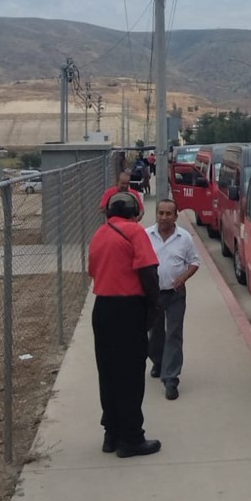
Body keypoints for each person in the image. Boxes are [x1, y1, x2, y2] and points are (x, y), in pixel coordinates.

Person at [86, 192, 163, 459]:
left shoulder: (99, 234)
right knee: (130, 376)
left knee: (108, 372)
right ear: (136, 212)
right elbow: (148, 272)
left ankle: (111, 433)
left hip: (103, 308)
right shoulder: (134, 232)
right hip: (128, 308)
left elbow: (93, 271)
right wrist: (154, 306)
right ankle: (131, 438)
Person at [147, 199, 201, 400]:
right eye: (160, 213)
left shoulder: (184, 238)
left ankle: (171, 379)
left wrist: (184, 277)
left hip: (176, 294)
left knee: (174, 334)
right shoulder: (146, 236)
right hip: (153, 295)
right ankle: (158, 361)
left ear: (176, 216)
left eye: (168, 214)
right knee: (155, 333)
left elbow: (194, 262)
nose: (164, 217)